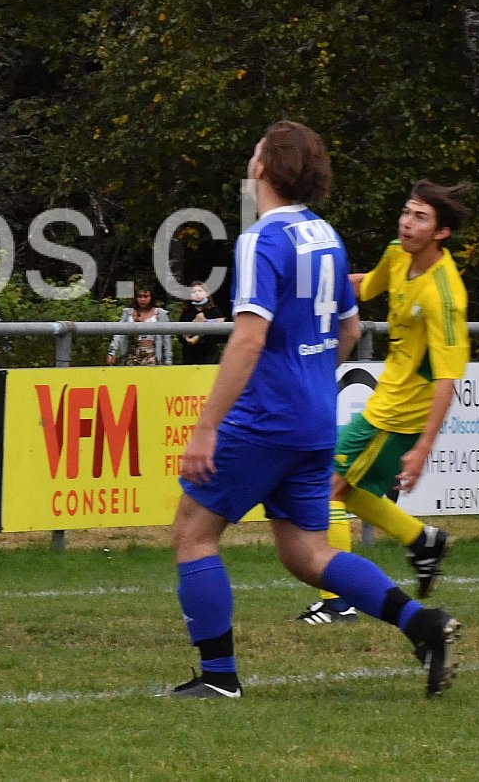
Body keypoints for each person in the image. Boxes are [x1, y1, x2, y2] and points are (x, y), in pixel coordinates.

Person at [164, 121, 459, 699]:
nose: (249, 161)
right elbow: (349, 327)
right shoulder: (325, 235)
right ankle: (420, 623)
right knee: (307, 551)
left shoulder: (262, 239)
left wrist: (206, 428)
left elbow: (248, 338)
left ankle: (219, 679)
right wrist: (309, 380)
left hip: (267, 417)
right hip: (316, 414)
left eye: (254, 154)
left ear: (265, 169)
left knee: (193, 533)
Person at [296, 180, 471, 625]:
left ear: (441, 233)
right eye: (407, 212)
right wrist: (310, 285)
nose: (407, 223)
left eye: (420, 218)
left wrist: (422, 449)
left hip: (401, 414)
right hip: (385, 403)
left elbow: (449, 377)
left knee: (327, 487)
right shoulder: (398, 254)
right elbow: (365, 286)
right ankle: (420, 539)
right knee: (346, 489)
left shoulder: (444, 295)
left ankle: (339, 601)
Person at [106, 286, 172, 366]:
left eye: (146, 296)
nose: (142, 299)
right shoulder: (128, 313)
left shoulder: (160, 313)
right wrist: (112, 352)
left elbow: (166, 339)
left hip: (152, 355)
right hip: (131, 354)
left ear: (151, 297)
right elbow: (118, 334)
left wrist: (168, 360)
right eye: (139, 296)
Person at [177, 281, 227, 366]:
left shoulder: (214, 311)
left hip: (210, 352)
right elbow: (180, 333)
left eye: (200, 291)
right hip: (191, 354)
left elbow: (223, 336)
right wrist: (187, 339)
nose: (197, 294)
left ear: (207, 293)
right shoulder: (186, 312)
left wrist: (204, 334)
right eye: (194, 292)